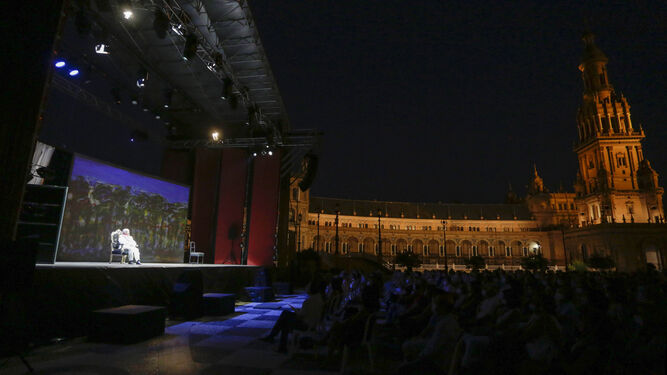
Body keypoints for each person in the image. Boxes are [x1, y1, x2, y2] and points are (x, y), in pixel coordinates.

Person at [261, 281, 325, 352]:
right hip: (312, 322)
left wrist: (297, 311)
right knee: (285, 314)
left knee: (285, 320)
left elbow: (301, 315)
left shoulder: (309, 301)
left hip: (306, 324)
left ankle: (280, 344)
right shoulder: (319, 298)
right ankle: (273, 337)